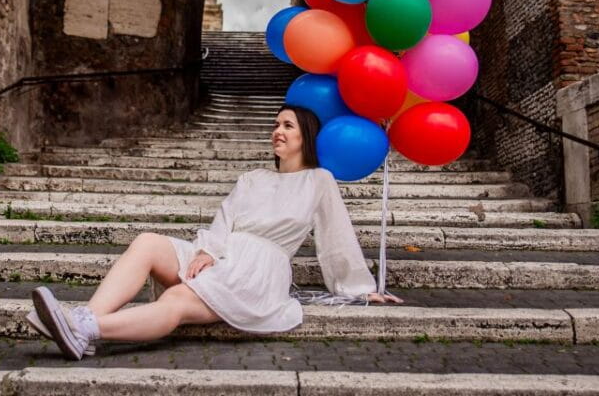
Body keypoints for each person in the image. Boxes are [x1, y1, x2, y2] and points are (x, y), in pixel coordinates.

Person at [28, 103, 402, 360]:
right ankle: (79, 323)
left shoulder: (319, 180)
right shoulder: (252, 177)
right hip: (223, 250)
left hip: (257, 269)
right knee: (147, 243)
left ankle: (87, 327)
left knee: (177, 299)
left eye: (287, 125)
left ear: (306, 134)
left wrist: (360, 289)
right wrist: (207, 251)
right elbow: (225, 218)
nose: (277, 131)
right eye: (275, 125)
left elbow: (337, 238)